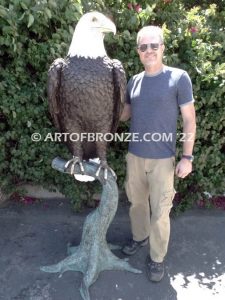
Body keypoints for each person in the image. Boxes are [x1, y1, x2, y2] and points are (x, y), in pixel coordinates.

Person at [120, 26, 196, 282]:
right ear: (138, 51)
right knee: (137, 205)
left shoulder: (178, 78)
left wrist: (187, 157)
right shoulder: (134, 81)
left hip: (163, 160)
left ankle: (157, 259)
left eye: (154, 46)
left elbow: (189, 121)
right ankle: (140, 238)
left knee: (160, 212)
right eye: (144, 47)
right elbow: (124, 115)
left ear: (163, 47)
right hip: (134, 157)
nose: (149, 50)